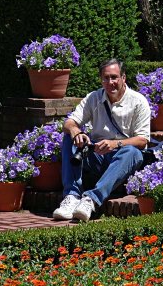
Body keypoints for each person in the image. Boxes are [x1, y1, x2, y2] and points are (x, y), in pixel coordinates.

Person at [52, 58, 151, 222]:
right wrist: (76, 132)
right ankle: (71, 196)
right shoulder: (94, 98)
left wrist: (114, 144)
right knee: (70, 138)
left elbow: (143, 140)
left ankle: (91, 200)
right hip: (97, 156)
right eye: (106, 78)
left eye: (114, 77)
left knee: (133, 152)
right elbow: (69, 122)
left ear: (123, 78)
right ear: (101, 79)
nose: (110, 82)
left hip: (122, 159)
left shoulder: (138, 101)